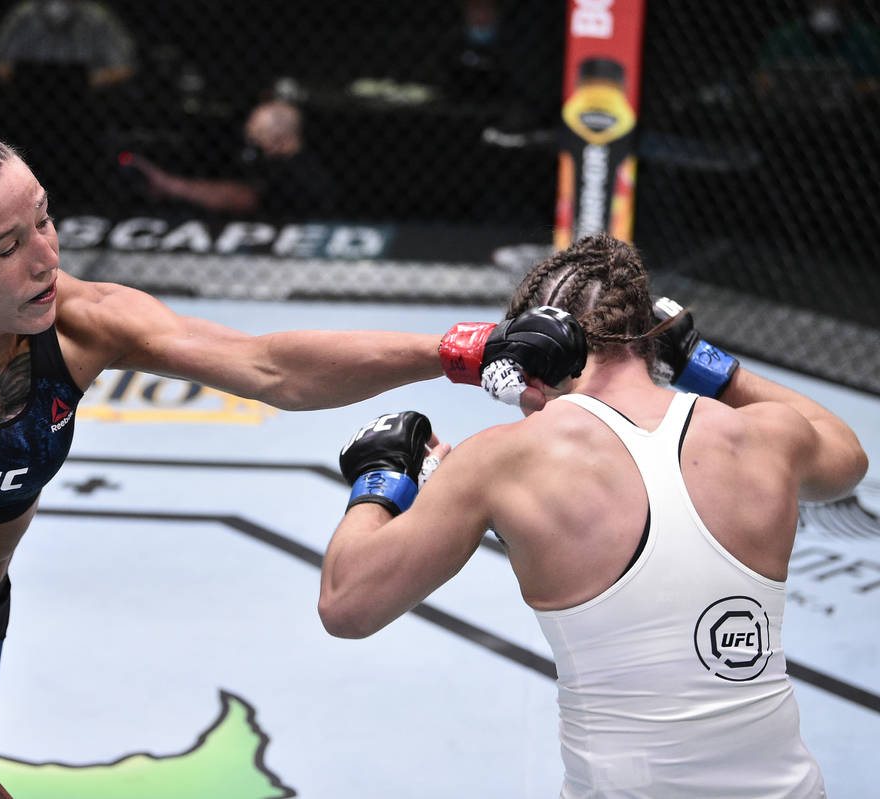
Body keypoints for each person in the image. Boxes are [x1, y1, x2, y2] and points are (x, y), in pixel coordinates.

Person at [0, 124, 489, 798]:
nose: (44, 257)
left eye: (44, 219)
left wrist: (457, 350)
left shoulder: (80, 320)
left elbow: (270, 366)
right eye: (6, 246)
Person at [319, 233, 868, 798]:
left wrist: (378, 482)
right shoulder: (765, 434)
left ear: (534, 348)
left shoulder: (503, 459)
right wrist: (711, 370)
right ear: (647, 339)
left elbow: (347, 606)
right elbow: (846, 457)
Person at [123, 98, 337, 218]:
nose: (251, 146)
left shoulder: (301, 175)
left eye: (258, 139)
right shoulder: (270, 164)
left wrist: (172, 186)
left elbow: (244, 198)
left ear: (281, 139)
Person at [0, 0, 138, 90]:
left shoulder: (98, 18)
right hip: (28, 99)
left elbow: (124, 68)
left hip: (89, 102)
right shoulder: (22, 16)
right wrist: (32, 82)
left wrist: (84, 82)